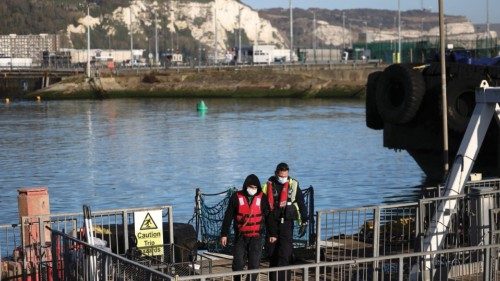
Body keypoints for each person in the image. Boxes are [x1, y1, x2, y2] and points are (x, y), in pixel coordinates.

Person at [220, 174, 277, 281]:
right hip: (240, 236)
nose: (253, 189)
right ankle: (237, 278)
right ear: (246, 186)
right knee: (238, 263)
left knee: (254, 264)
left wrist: (272, 233)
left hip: (256, 236)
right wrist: (224, 234)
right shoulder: (236, 197)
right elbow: (228, 216)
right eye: (251, 187)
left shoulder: (262, 198)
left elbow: (269, 217)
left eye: (255, 188)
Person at [263, 162, 308, 281]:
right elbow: (262, 205)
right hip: (271, 224)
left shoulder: (293, 184)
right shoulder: (267, 185)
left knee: (285, 254)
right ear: (276, 173)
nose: (283, 178)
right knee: (272, 255)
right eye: (281, 176)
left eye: (285, 176)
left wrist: (305, 220)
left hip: (287, 223)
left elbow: (301, 204)